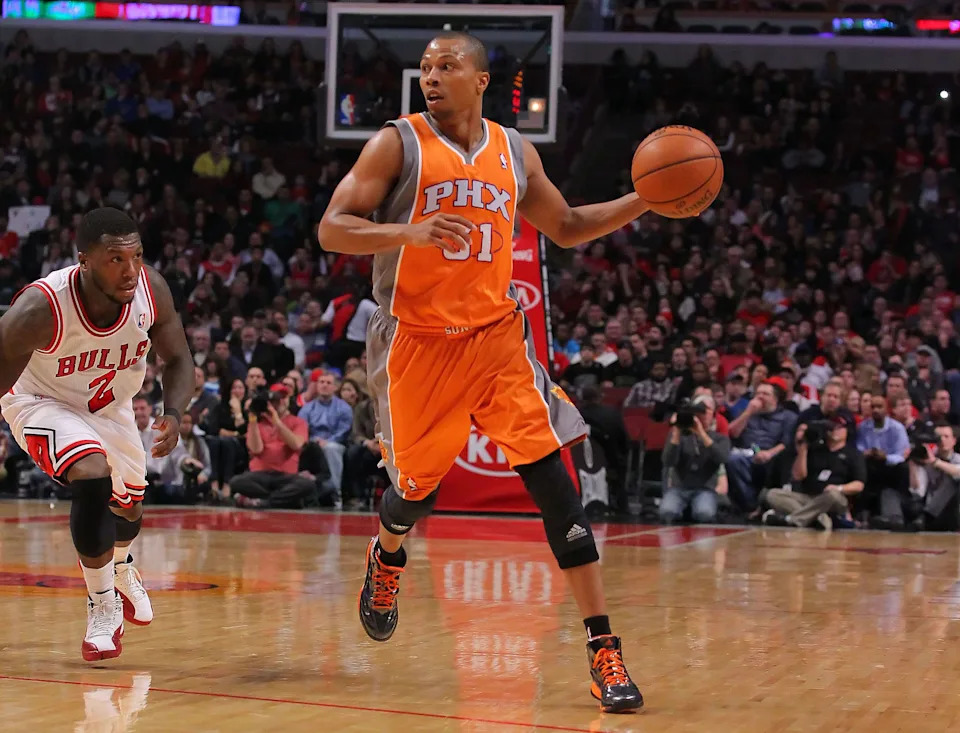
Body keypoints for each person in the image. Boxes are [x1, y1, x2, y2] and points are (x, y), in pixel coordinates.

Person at [318, 31, 649, 712]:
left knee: (556, 487)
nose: (431, 76)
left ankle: (603, 648)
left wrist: (645, 199)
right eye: (426, 67)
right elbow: (332, 228)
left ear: (481, 80)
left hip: (497, 340)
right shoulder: (396, 143)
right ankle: (387, 553)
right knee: (413, 493)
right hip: (416, 344)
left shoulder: (514, 150)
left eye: (447, 66)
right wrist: (404, 233)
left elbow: (567, 224)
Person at [0, 207, 193, 661]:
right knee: (91, 473)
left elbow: (178, 358)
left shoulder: (151, 290)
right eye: (115, 259)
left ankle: (121, 566)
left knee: (129, 508)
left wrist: (174, 413)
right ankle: (102, 605)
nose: (130, 270)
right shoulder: (41, 308)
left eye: (136, 256)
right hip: (40, 400)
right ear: (84, 261)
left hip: (109, 406)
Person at [763, 414, 865, 529]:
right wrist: (803, 450)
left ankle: (792, 519)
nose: (834, 430)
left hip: (835, 498)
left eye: (839, 427)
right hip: (809, 497)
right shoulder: (816, 449)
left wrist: (839, 488)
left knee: (832, 495)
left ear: (847, 430)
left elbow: (859, 485)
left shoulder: (854, 454)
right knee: (773, 494)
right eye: (832, 427)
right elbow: (798, 476)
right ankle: (818, 518)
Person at [231, 383, 316, 508]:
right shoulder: (258, 423)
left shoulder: (298, 422)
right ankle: (283, 500)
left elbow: (296, 444)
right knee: (236, 482)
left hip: (286, 476)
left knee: (307, 485)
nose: (279, 403)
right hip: (260, 475)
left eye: (282, 398)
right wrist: (253, 419)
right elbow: (256, 449)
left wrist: (277, 422)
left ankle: (263, 501)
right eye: (274, 401)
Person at [661, 395, 731, 524]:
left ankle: (692, 509)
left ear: (713, 415)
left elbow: (722, 458)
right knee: (667, 512)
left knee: (704, 514)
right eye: (697, 412)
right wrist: (676, 432)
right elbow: (668, 461)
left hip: (705, 488)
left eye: (705, 411)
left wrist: (701, 433)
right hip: (679, 487)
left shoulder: (720, 438)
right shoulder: (679, 436)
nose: (701, 415)